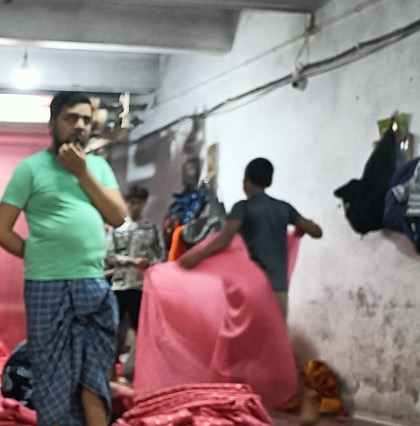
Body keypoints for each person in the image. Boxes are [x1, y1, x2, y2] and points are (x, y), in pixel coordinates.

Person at [0, 92, 135, 426]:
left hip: (92, 282)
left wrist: (83, 172)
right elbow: (0, 230)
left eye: (86, 119)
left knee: (96, 368)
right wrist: (38, 257)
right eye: (71, 118)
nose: (80, 126)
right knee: (50, 366)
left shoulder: (99, 168)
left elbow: (118, 217)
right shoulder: (31, 169)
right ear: (52, 124)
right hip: (45, 285)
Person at [178, 157, 322, 317]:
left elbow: (224, 239)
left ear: (246, 180)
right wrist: (302, 228)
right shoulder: (283, 208)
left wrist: (195, 256)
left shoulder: (242, 208)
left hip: (252, 288)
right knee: (275, 338)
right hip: (279, 288)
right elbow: (317, 232)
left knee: (248, 339)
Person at [105, 184, 164, 366]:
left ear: (144, 203)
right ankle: (111, 367)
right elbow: (109, 255)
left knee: (142, 328)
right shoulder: (117, 227)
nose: (135, 206)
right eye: (132, 203)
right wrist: (131, 261)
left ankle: (143, 366)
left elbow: (162, 255)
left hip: (142, 286)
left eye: (139, 203)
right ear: (126, 203)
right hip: (120, 285)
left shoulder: (151, 228)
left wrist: (150, 263)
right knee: (114, 328)